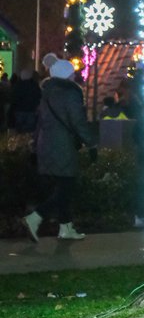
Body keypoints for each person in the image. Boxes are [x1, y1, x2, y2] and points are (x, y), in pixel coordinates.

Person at [23, 59, 96, 242]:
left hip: (46, 143)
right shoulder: (69, 94)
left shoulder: (47, 93)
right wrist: (91, 143)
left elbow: (39, 122)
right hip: (62, 144)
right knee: (67, 186)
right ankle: (35, 217)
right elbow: (77, 121)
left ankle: (66, 228)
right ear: (67, 74)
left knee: (63, 185)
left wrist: (34, 146)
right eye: (72, 72)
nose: (74, 75)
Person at [10, 67, 41, 133]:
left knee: (19, 130)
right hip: (31, 111)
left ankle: (19, 141)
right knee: (30, 130)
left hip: (19, 110)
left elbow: (14, 98)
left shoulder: (17, 85)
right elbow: (38, 97)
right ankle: (28, 142)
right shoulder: (34, 86)